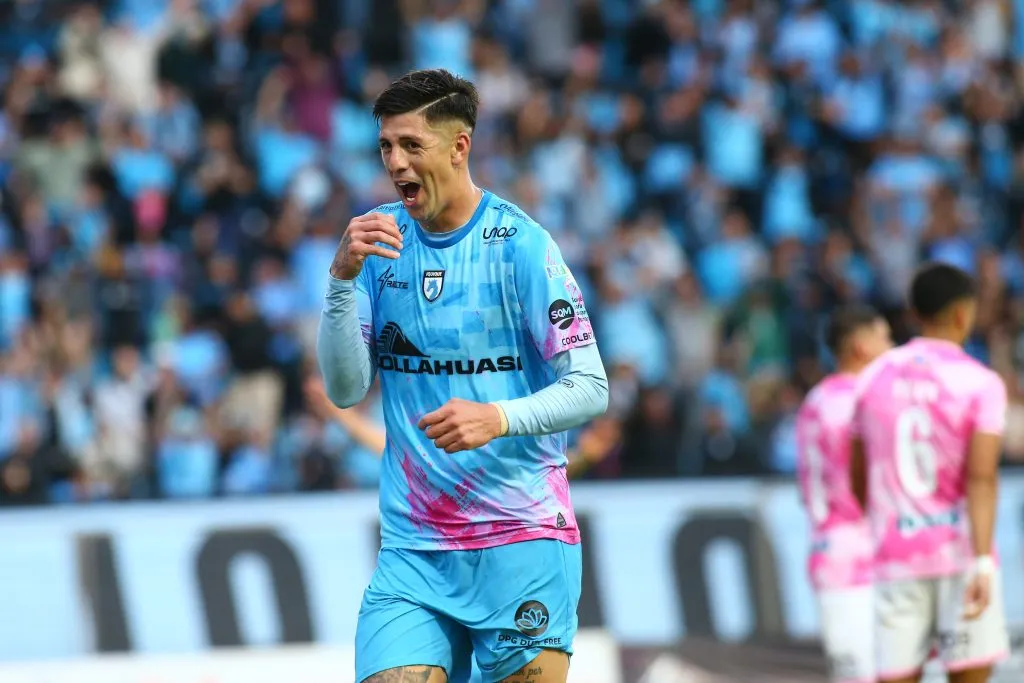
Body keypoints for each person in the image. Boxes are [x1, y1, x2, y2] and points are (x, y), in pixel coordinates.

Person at [317, 69, 609, 683]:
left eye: (411, 146)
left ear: (459, 146)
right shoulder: (378, 244)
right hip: (414, 550)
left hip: (521, 539)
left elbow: (590, 386)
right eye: (386, 148)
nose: (395, 164)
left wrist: (497, 417)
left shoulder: (521, 246)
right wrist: (341, 281)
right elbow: (346, 390)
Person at [850, 263, 1009, 683]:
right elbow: (981, 478)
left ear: (913, 312)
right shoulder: (981, 383)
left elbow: (857, 467)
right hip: (958, 555)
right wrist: (982, 563)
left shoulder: (871, 377)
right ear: (963, 314)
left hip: (896, 555)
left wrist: (881, 520)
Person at [796, 304, 892, 683]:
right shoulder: (867, 399)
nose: (891, 346)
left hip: (830, 554)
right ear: (861, 346)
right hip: (871, 553)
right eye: (884, 337)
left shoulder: (814, 401)